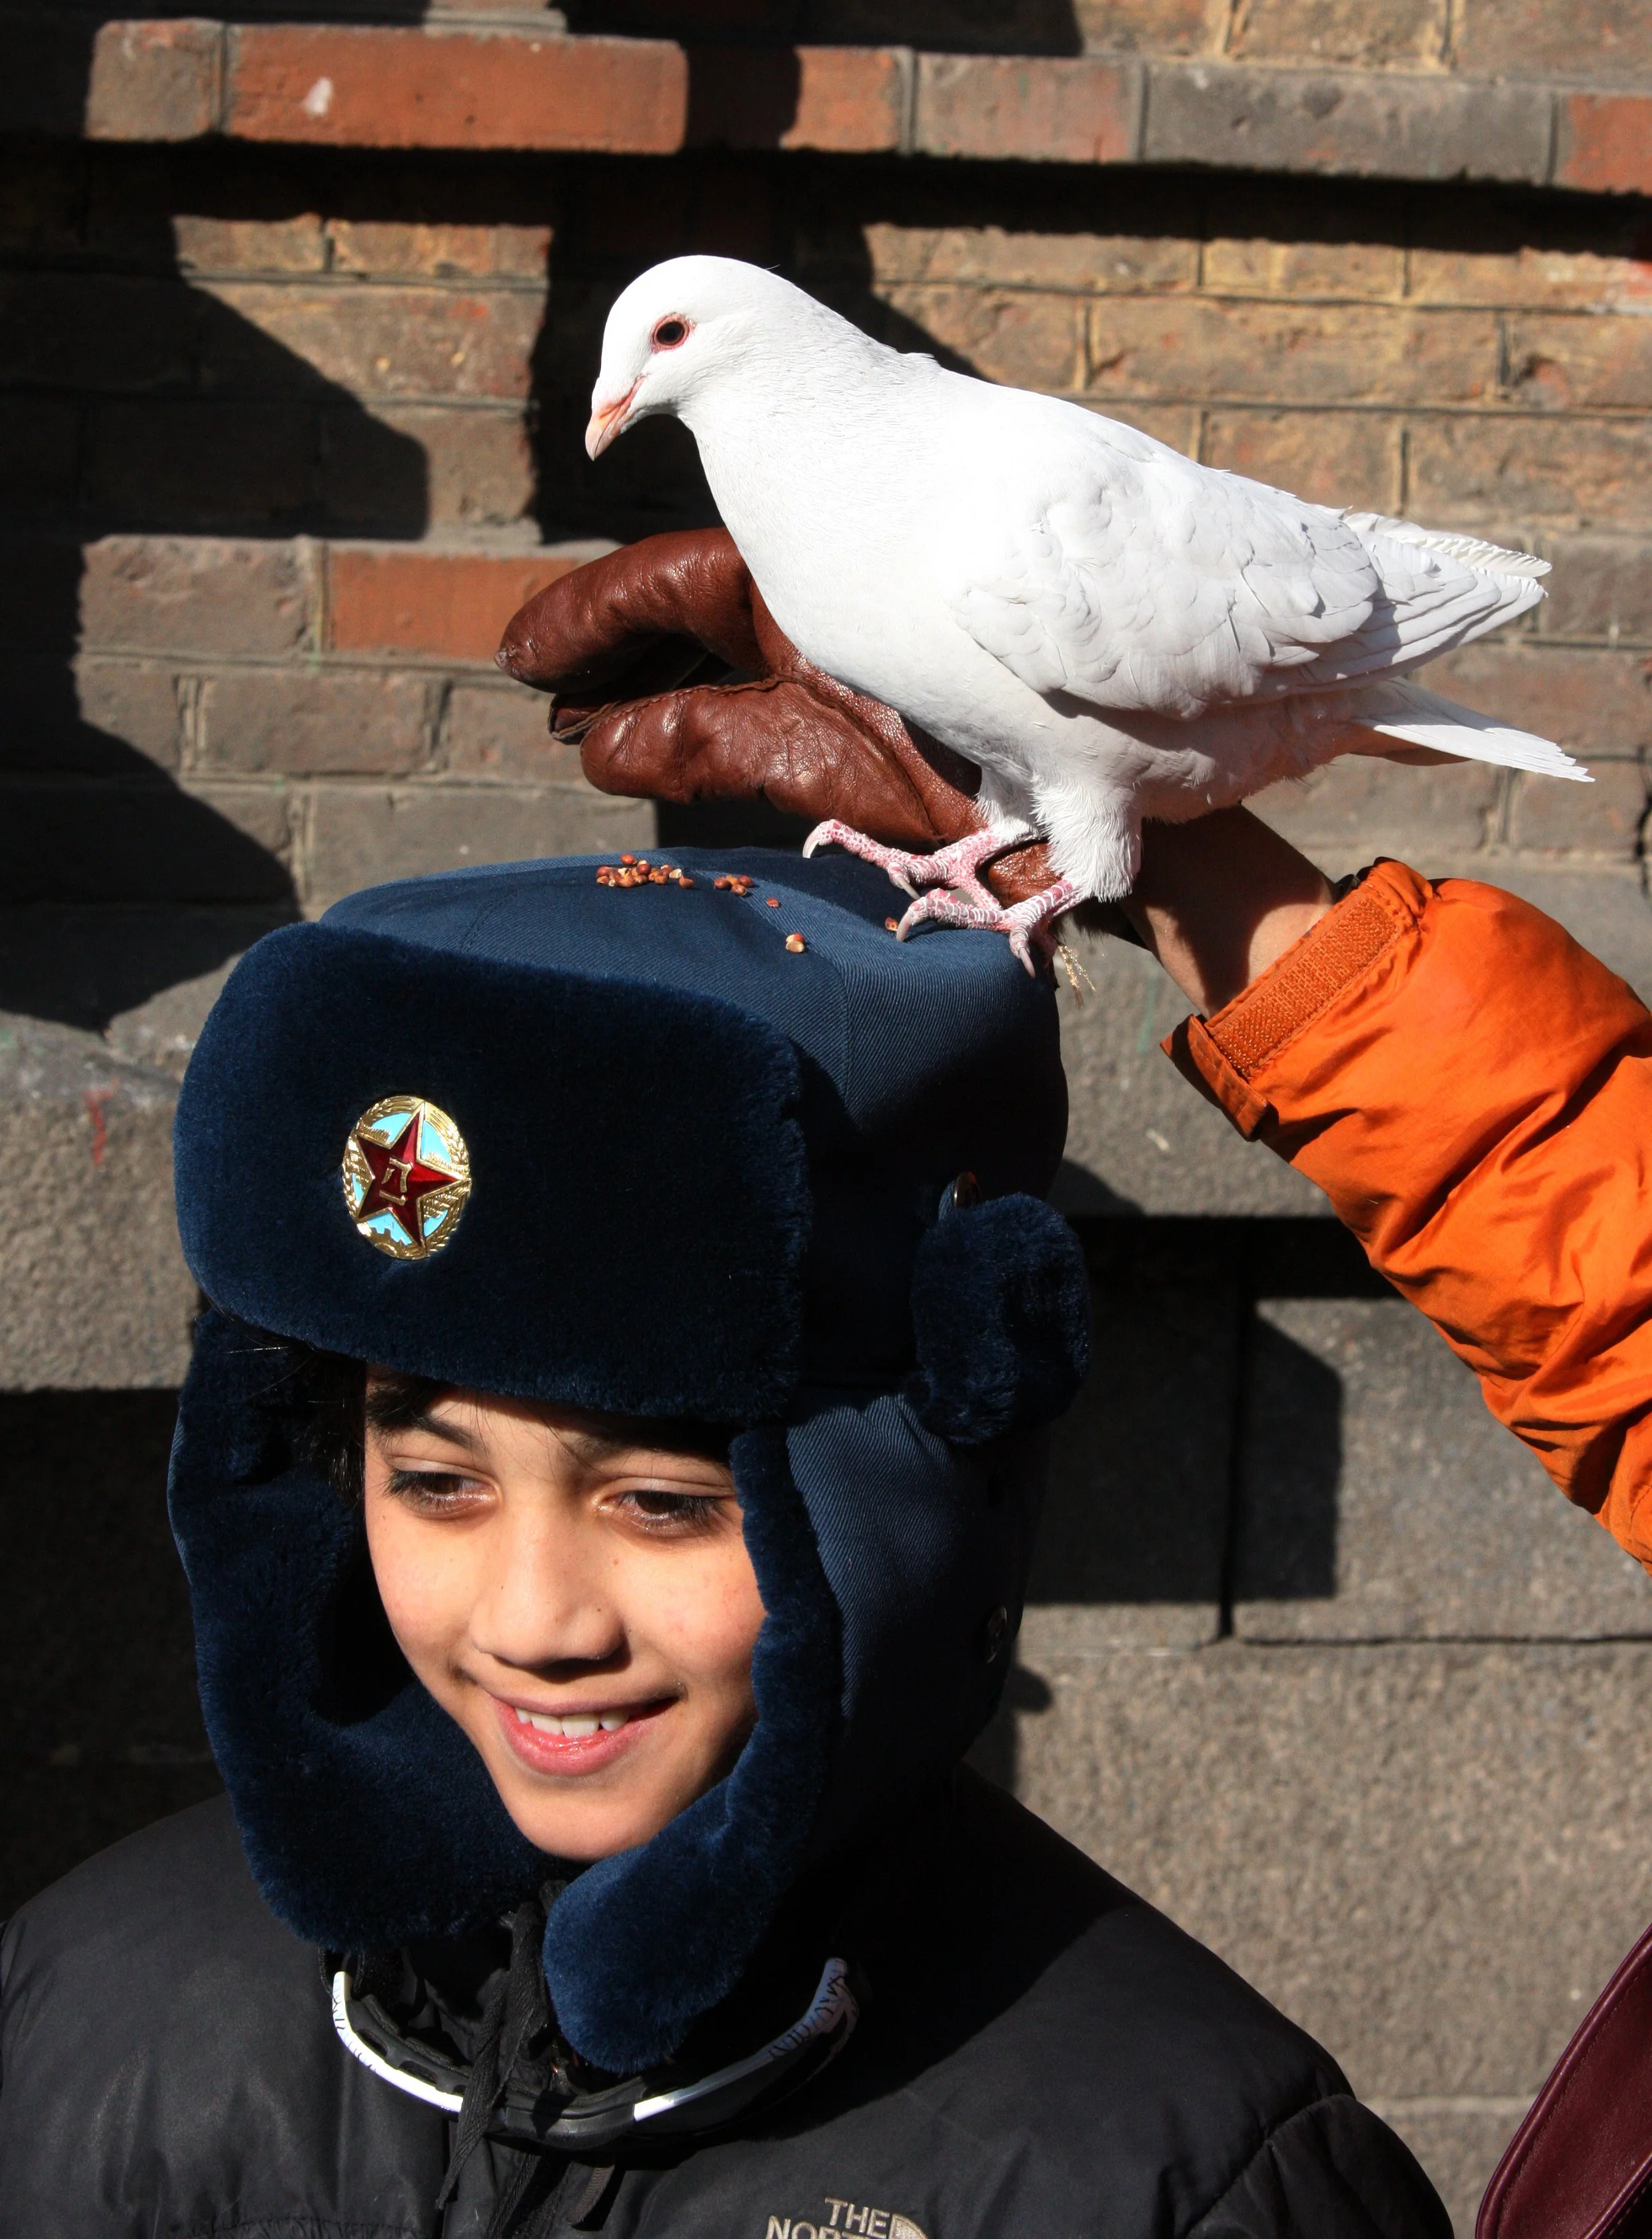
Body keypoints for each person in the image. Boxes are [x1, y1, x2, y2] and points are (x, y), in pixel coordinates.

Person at [0, 720, 1451, 2229]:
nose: (536, 1624)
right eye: (436, 1481)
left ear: (908, 1494)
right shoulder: (84, 2013)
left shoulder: (1184, 2179)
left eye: (665, 1504)